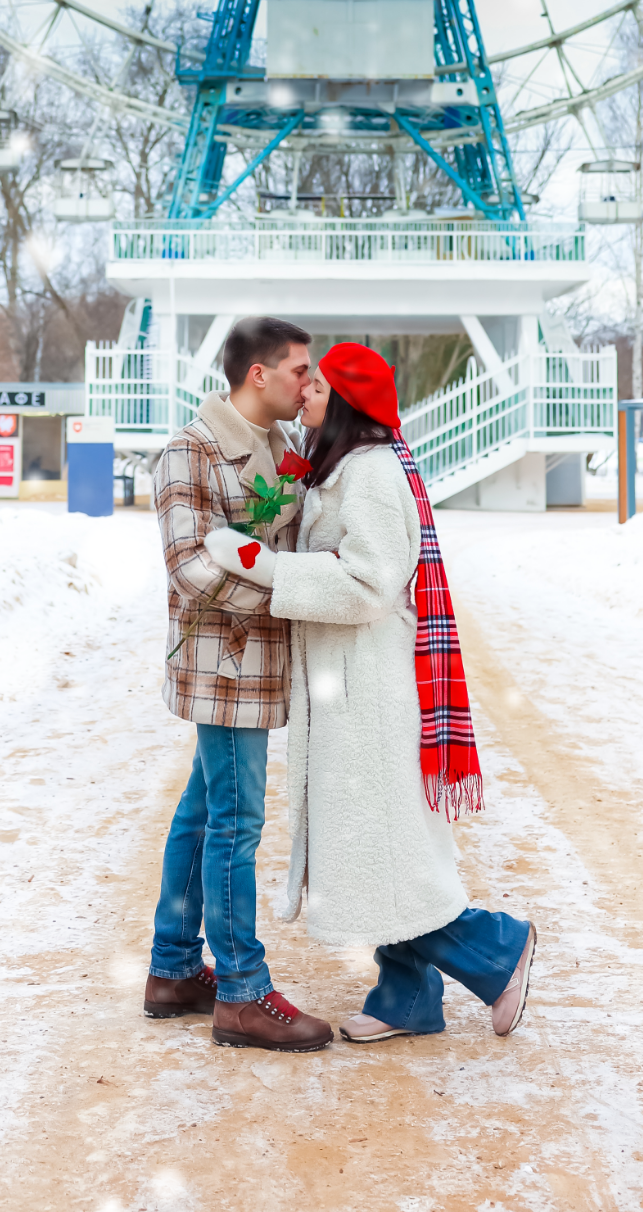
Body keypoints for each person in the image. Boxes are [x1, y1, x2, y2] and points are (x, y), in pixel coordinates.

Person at [207, 341, 536, 1045]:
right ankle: (406, 996)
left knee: (384, 850)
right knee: (379, 842)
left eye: (320, 389)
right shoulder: (343, 468)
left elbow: (368, 584)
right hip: (348, 687)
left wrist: (267, 569)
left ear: (350, 405)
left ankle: (494, 947)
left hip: (372, 693)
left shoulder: (372, 473)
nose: (307, 397)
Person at [144, 315, 333, 1053]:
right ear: (257, 375)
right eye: (298, 371)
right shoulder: (188, 451)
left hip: (253, 663)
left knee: (202, 811)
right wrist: (287, 595)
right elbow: (190, 567)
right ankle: (243, 994)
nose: (307, 385)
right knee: (235, 824)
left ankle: (171, 968)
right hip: (223, 667)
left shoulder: (283, 449)